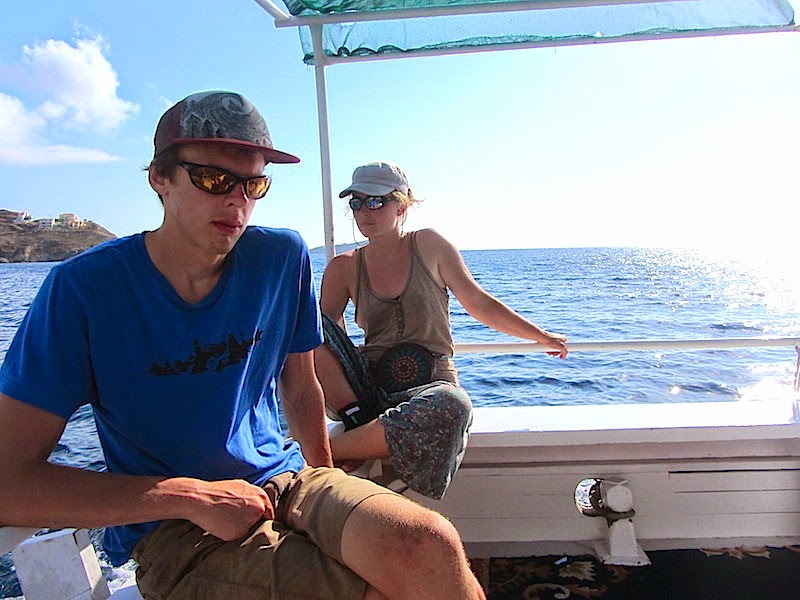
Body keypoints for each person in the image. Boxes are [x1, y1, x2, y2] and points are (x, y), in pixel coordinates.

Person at [0, 92, 485, 600]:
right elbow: (10, 482)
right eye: (214, 180)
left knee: (431, 543)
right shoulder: (84, 290)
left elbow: (300, 388)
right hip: (175, 527)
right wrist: (189, 496)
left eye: (255, 184)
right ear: (159, 178)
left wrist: (325, 482)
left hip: (286, 479)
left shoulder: (279, 257)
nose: (238, 201)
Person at [315, 161, 568, 499]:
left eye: (375, 201)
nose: (364, 212)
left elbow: (478, 302)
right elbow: (321, 342)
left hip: (429, 388)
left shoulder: (429, 245)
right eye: (356, 203)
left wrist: (541, 336)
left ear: (401, 206)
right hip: (365, 393)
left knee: (453, 405)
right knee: (305, 320)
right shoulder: (343, 267)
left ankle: (337, 450)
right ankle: (360, 428)